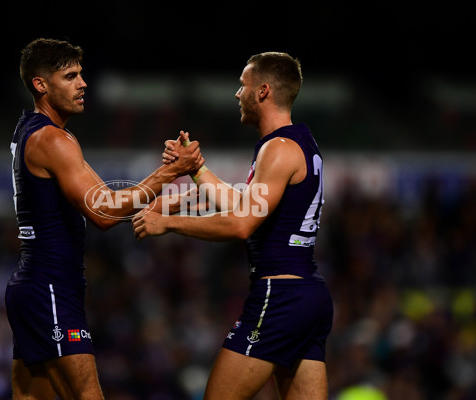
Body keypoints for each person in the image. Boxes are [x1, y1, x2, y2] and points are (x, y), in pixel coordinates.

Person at [5, 38, 203, 399]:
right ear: (40, 85)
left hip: (35, 286)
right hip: (50, 286)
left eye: (81, 74)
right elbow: (104, 213)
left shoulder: (38, 132)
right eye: (70, 76)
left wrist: (168, 201)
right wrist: (170, 172)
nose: (83, 84)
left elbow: (109, 201)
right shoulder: (53, 140)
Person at [132, 52, 333, 400]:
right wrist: (196, 169)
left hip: (280, 295)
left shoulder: (278, 148)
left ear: (263, 91)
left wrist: (168, 223)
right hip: (308, 294)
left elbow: (240, 225)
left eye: (243, 86)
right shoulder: (298, 143)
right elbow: (246, 206)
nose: (237, 94)